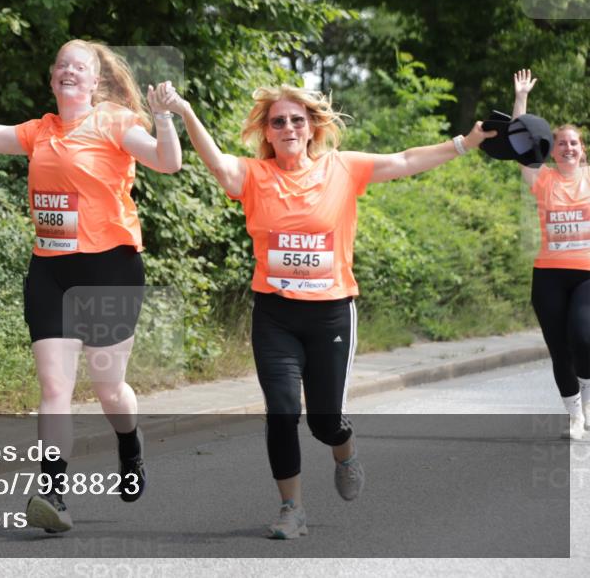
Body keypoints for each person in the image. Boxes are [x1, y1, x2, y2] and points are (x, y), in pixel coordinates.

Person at [149, 81, 494, 539]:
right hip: (275, 314)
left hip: (331, 313)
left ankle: (344, 451)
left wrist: (465, 143)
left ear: (311, 127)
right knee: (282, 412)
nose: (289, 127)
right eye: (278, 122)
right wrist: (185, 110)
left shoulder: (342, 168)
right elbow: (214, 159)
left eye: (297, 119)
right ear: (266, 133)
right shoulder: (252, 176)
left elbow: (407, 160)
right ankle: (292, 509)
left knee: (325, 419)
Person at [0, 41, 182, 533]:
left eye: (80, 66)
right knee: (55, 387)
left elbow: (168, 163)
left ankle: (129, 441)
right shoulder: (40, 131)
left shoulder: (116, 123)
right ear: (53, 77)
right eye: (61, 64)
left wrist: (164, 119)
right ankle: (53, 493)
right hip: (51, 271)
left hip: (110, 269)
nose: (68, 71)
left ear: (96, 81)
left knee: (108, 390)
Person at [512, 69, 590, 440]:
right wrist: (521, 98)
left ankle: (587, 400)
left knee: (584, 338)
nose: (568, 149)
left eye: (574, 144)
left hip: (587, 274)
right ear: (553, 149)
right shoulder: (542, 179)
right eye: (562, 144)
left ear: (582, 149)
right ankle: (575, 416)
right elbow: (518, 140)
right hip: (548, 274)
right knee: (559, 348)